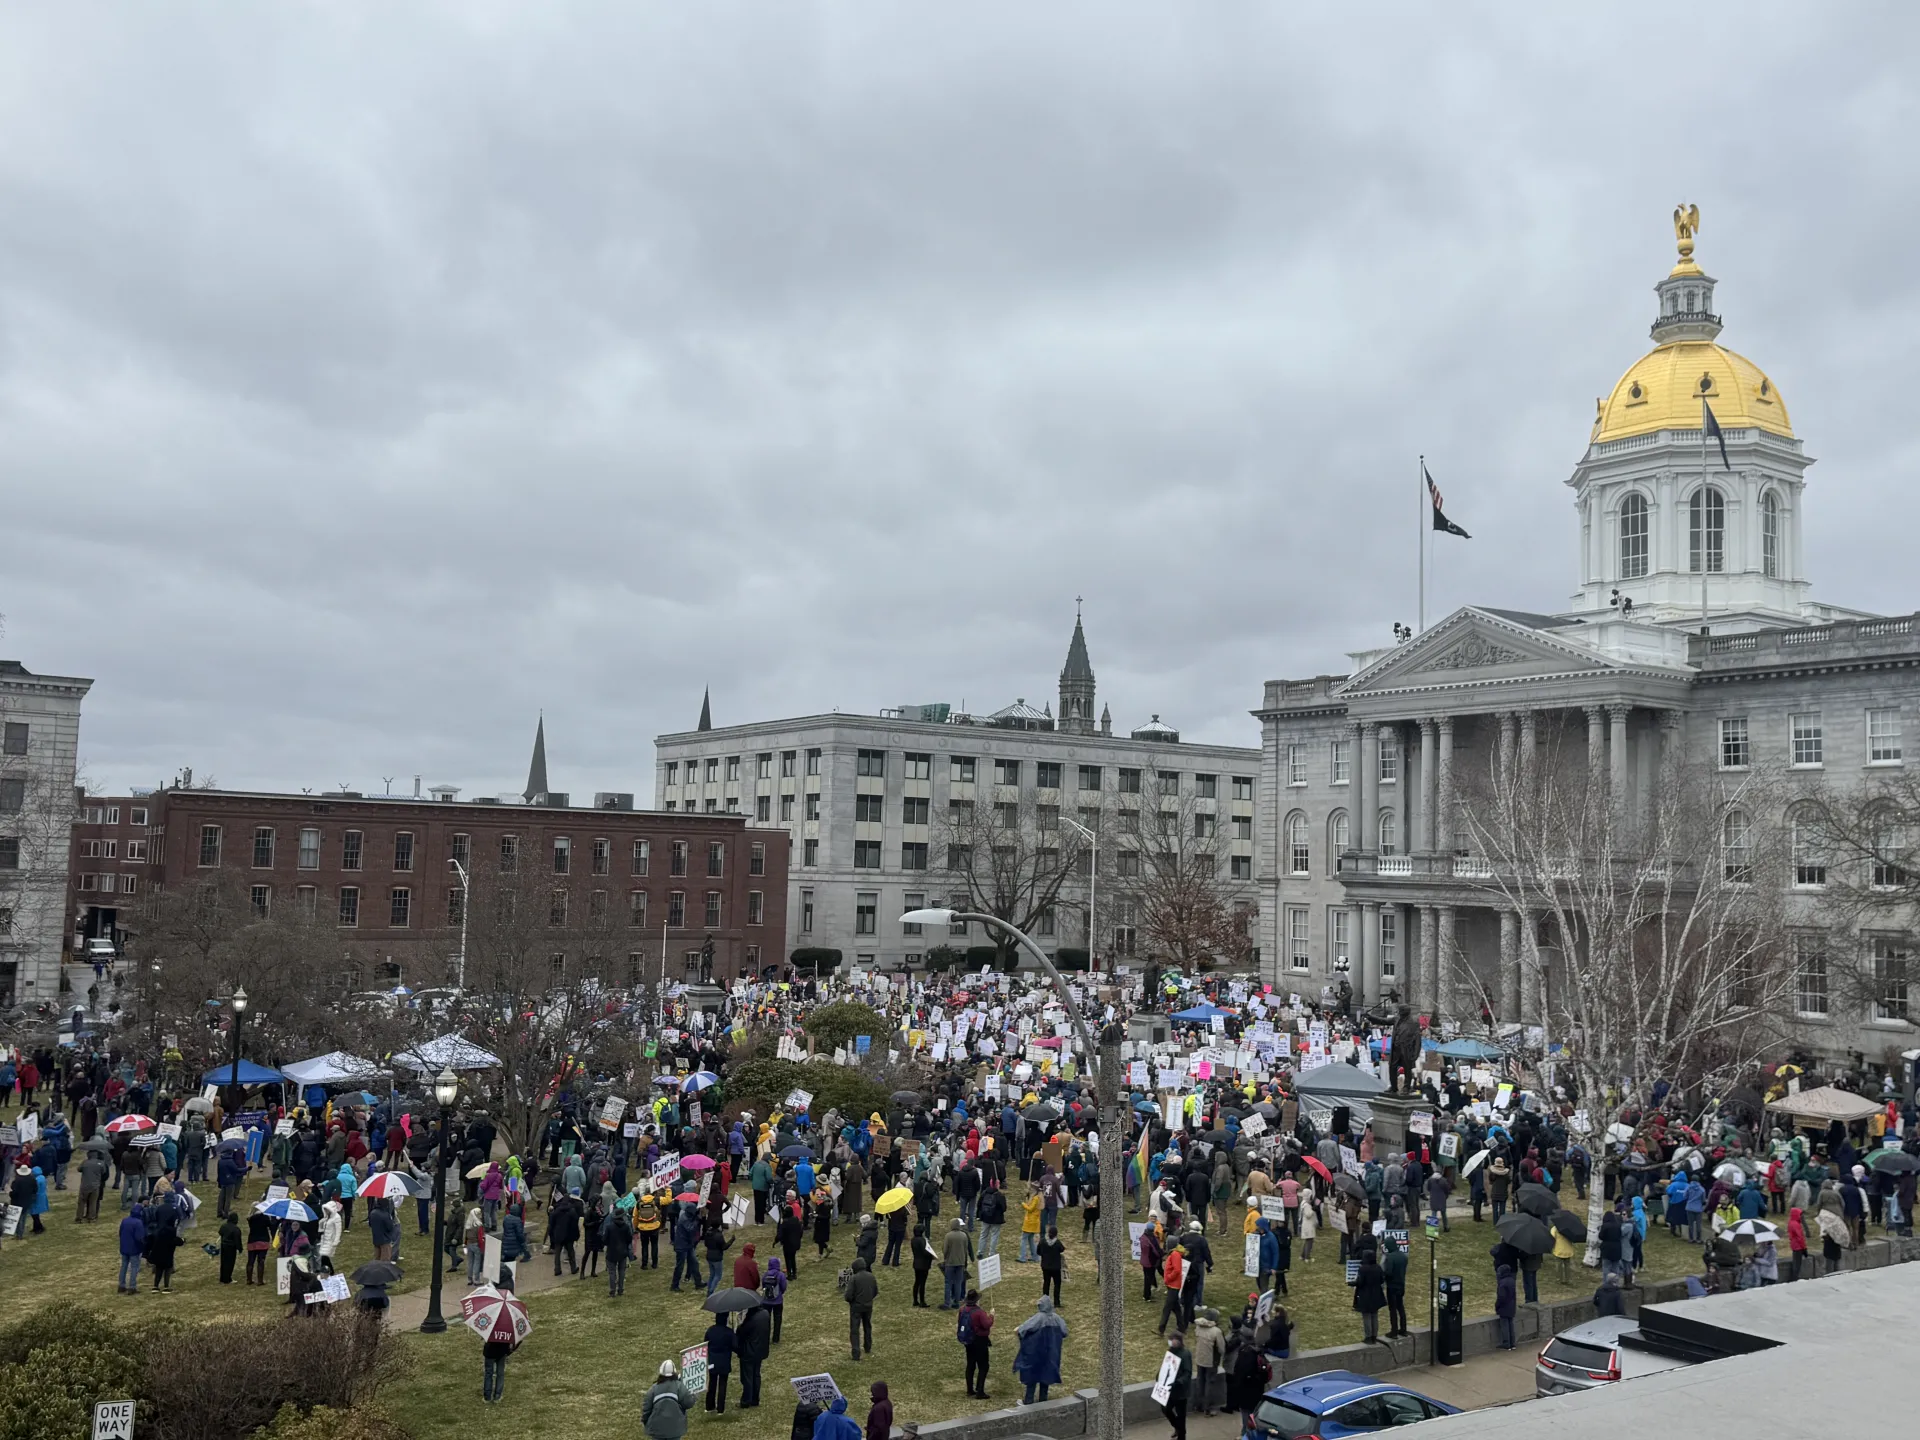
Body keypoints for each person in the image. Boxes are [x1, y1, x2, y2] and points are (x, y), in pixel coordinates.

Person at [1012, 1295, 1066, 1406]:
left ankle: (1028, 1400)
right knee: (1045, 1376)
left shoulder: (1038, 1318)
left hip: (1036, 1353)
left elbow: (1023, 1329)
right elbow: (1065, 1331)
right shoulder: (1057, 1318)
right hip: (1050, 1354)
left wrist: (1018, 1330)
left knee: (1032, 1376)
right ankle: (1043, 1401)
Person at [736, 1292, 772, 1408]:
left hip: (749, 1351)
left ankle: (747, 1400)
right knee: (756, 1375)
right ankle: (755, 1399)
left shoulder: (751, 1320)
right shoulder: (765, 1314)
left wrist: (739, 1325)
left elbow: (741, 1333)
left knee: (747, 1377)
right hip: (761, 1350)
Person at [643, 1360, 694, 1440]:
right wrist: (694, 1395)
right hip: (675, 1429)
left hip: (657, 1430)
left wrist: (646, 1422)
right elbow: (689, 1403)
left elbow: (646, 1410)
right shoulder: (679, 1387)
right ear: (674, 1373)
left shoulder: (653, 1389)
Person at [959, 1288, 995, 1398]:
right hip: (979, 1341)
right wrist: (992, 1316)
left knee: (970, 1365)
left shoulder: (962, 1310)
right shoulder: (979, 1313)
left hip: (968, 1341)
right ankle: (980, 1391)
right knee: (983, 1366)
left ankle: (970, 1389)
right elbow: (987, 1324)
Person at [842, 1255, 880, 1360]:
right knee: (867, 1326)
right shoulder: (871, 1276)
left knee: (855, 1330)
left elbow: (848, 1295)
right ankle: (868, 1347)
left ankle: (856, 1353)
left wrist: (851, 1301)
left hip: (856, 1308)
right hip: (868, 1306)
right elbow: (875, 1291)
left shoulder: (854, 1278)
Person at [1190, 1309, 1225, 1417]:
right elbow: (1221, 1348)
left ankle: (1198, 1406)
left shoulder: (1198, 1327)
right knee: (1209, 1383)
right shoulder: (1216, 1331)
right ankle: (1207, 1408)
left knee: (1200, 1382)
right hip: (1211, 1361)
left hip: (1200, 1359)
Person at [703, 1313, 735, 1413]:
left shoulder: (710, 1330)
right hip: (724, 1362)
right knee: (722, 1384)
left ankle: (709, 1406)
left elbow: (705, 1343)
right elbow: (735, 1346)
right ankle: (720, 1409)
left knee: (712, 1383)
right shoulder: (729, 1332)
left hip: (713, 1361)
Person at [1352, 1250, 1386, 1344]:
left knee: (1366, 1316)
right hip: (1376, 1295)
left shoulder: (1363, 1269)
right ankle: (1374, 1336)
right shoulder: (1378, 1267)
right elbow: (1381, 1280)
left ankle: (1368, 1337)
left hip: (1366, 1295)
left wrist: (1352, 1282)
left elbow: (1360, 1282)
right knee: (1374, 1315)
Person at [941, 1217, 971, 1309]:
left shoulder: (948, 1236)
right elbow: (966, 1248)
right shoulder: (964, 1235)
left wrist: (945, 1258)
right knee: (958, 1283)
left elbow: (945, 1249)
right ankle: (956, 1302)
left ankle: (947, 1303)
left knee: (948, 1283)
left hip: (950, 1262)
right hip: (961, 1262)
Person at [1383, 1238, 1409, 1337]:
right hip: (1401, 1285)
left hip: (1392, 1286)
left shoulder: (1390, 1257)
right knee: (1401, 1308)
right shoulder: (1403, 1256)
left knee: (1392, 1309)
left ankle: (1394, 1331)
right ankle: (1403, 1329)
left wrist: (1383, 1275)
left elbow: (1389, 1272)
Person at [117, 1204, 145, 1293]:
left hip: (124, 1247)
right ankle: (132, 1287)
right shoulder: (138, 1222)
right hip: (134, 1249)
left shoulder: (124, 1220)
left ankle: (121, 1285)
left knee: (124, 1266)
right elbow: (139, 1237)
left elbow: (120, 1233)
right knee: (134, 1267)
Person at [761, 1255, 789, 1342]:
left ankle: (765, 1337)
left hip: (766, 1301)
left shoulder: (765, 1275)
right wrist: (780, 1294)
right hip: (778, 1301)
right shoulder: (780, 1275)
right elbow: (783, 1286)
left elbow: (763, 1286)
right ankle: (776, 1338)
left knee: (766, 1320)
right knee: (777, 1319)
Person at [1037, 1225, 1066, 1305]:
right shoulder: (1057, 1243)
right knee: (1057, 1284)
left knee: (1046, 1283)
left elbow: (1038, 1252)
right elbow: (1062, 1249)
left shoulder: (1042, 1241)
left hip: (1045, 1266)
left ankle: (1045, 1302)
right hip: (1056, 1267)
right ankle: (1057, 1302)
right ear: (1056, 1234)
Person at [911, 1218, 936, 1306]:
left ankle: (915, 1300)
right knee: (922, 1283)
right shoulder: (922, 1240)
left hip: (916, 1262)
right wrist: (931, 1255)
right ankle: (922, 1301)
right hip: (924, 1264)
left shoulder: (913, 1239)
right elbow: (925, 1252)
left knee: (917, 1282)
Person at [1495, 1263, 1517, 1349]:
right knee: (1510, 1324)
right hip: (1511, 1306)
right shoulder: (1512, 1280)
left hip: (1504, 1307)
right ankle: (1512, 1343)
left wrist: (1497, 1306)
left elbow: (1501, 1297)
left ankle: (1506, 1343)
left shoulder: (1502, 1283)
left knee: (1504, 1325)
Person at [218, 1210, 242, 1284]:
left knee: (223, 1262)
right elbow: (237, 1240)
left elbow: (220, 1232)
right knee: (230, 1263)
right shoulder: (236, 1229)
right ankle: (228, 1278)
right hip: (231, 1248)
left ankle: (222, 1278)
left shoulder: (224, 1226)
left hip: (223, 1246)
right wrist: (240, 1248)